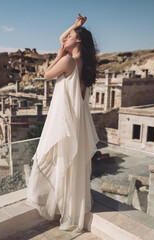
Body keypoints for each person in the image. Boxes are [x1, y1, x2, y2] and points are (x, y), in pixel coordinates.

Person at [26, 14, 99, 232]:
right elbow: (62, 37)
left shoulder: (68, 61)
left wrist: (59, 53)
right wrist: (75, 26)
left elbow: (47, 75)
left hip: (64, 120)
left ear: (77, 41)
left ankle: (54, 203)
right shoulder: (84, 64)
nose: (65, 39)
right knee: (70, 162)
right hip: (77, 121)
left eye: (70, 36)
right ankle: (68, 204)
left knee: (55, 158)